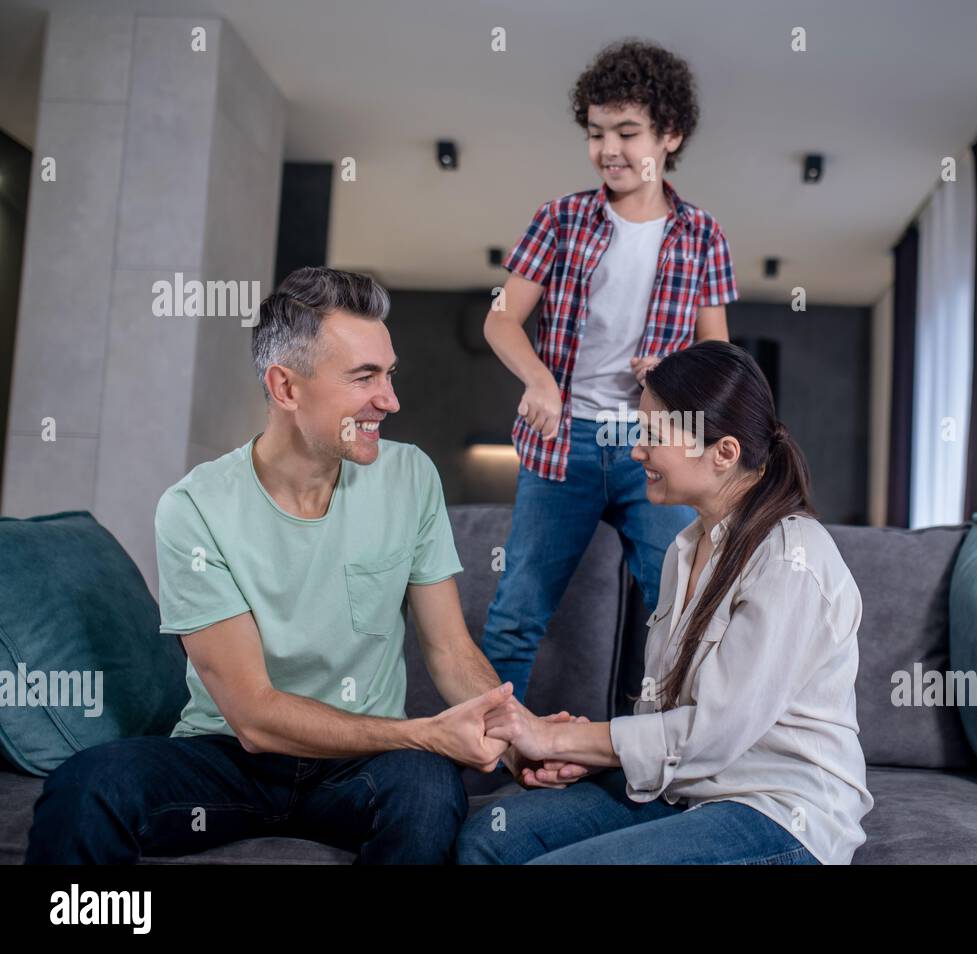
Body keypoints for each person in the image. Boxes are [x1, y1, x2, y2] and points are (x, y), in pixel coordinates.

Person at [25, 267, 581, 865]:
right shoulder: (195, 508)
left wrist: (518, 733)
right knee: (87, 787)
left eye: (389, 375)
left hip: (357, 770)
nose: (390, 400)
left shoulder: (410, 476)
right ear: (286, 388)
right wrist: (419, 733)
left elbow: (449, 652)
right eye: (364, 377)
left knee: (426, 788)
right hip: (230, 760)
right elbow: (255, 716)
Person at [456, 340, 874, 865]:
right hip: (685, 790)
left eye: (653, 436)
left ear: (723, 452)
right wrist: (591, 752)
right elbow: (663, 713)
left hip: (778, 809)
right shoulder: (686, 548)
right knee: (488, 839)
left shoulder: (792, 560)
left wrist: (555, 738)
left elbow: (712, 733)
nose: (635, 451)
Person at [481, 39, 738, 703]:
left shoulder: (704, 236)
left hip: (655, 450)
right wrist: (540, 381)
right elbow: (501, 319)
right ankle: (476, 760)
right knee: (517, 614)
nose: (609, 149)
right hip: (562, 443)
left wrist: (676, 370)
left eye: (629, 132)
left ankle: (657, 760)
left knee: (675, 613)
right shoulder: (562, 218)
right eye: (597, 133)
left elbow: (719, 363)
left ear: (669, 135)